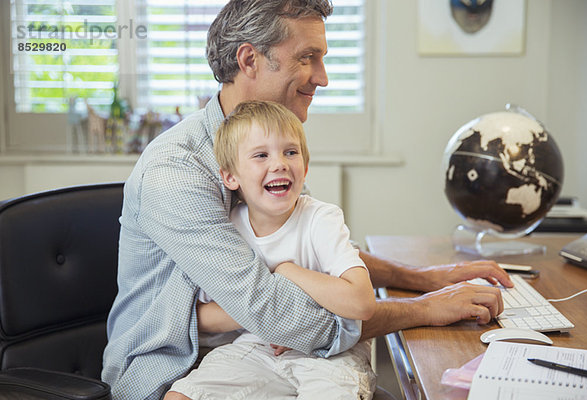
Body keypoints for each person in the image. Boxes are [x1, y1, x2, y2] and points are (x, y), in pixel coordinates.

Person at [102, 1, 513, 399]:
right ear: (249, 60)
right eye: (308, 57)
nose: (323, 77)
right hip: (178, 371)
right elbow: (273, 309)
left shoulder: (270, 147)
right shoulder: (177, 170)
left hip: (265, 353)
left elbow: (314, 250)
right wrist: (424, 309)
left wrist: (426, 277)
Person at [166, 100, 377, 399]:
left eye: (290, 152)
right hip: (254, 348)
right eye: (261, 155)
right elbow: (201, 318)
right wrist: (272, 319)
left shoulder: (321, 219)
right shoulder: (227, 228)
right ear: (230, 177)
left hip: (327, 354)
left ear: (305, 167)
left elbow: (362, 303)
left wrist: (287, 271)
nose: (279, 163)